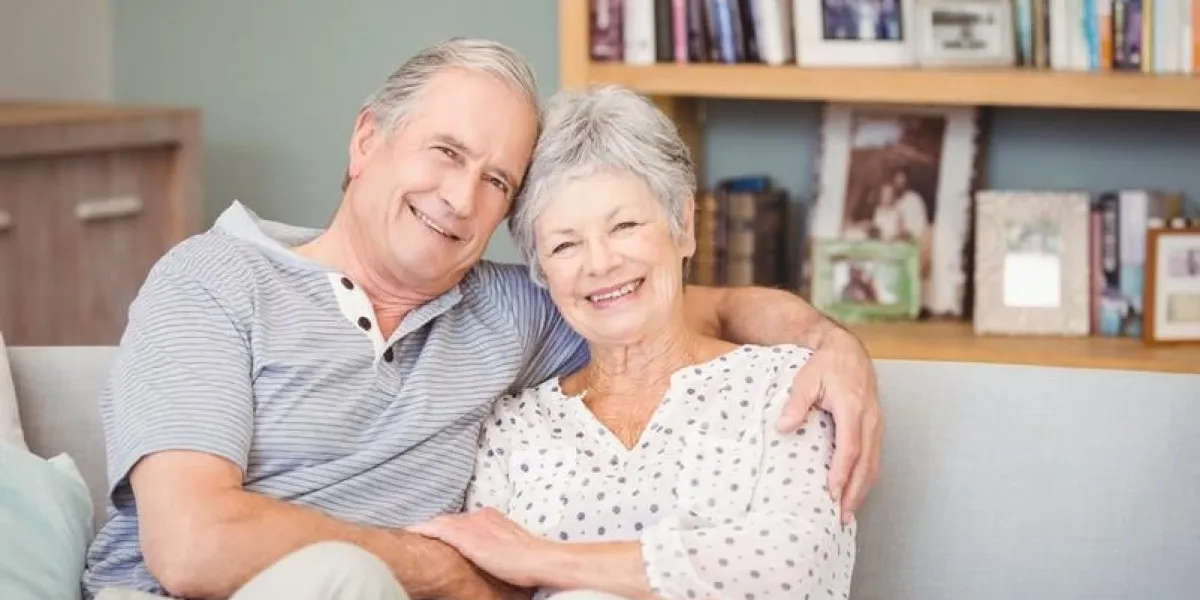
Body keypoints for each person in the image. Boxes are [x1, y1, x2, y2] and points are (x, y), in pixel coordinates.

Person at [83, 38, 881, 600]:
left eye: (496, 180)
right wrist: (426, 567)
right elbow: (189, 547)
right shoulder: (213, 282)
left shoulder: (508, 309)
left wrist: (828, 342)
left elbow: (662, 302)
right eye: (446, 152)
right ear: (368, 140)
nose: (461, 198)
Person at [406, 86, 856, 600]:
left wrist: (541, 561)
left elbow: (792, 570)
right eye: (565, 244)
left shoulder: (785, 385)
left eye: (623, 226)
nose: (599, 264)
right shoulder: (513, 427)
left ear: (683, 227)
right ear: (541, 271)